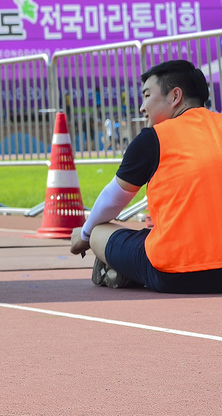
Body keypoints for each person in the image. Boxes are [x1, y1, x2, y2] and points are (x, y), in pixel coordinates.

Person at [70, 59, 222, 293]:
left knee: (98, 232)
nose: (142, 108)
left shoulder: (154, 138)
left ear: (175, 96)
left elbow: (112, 199)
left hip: (175, 273)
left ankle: (120, 267)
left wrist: (83, 235)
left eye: (147, 95)